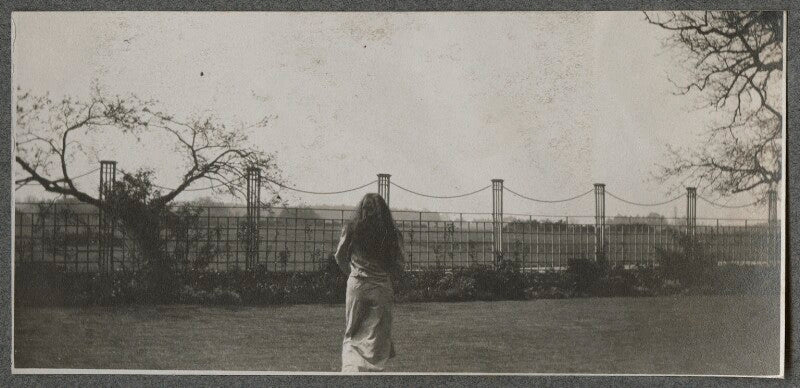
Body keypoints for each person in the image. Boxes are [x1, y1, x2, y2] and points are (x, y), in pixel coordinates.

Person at [335, 193, 405, 372]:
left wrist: (352, 273)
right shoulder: (391, 232)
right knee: (377, 337)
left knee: (352, 332)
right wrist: (387, 275)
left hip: (357, 285)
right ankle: (373, 375)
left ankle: (350, 371)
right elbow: (399, 264)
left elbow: (340, 255)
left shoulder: (351, 228)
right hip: (380, 287)